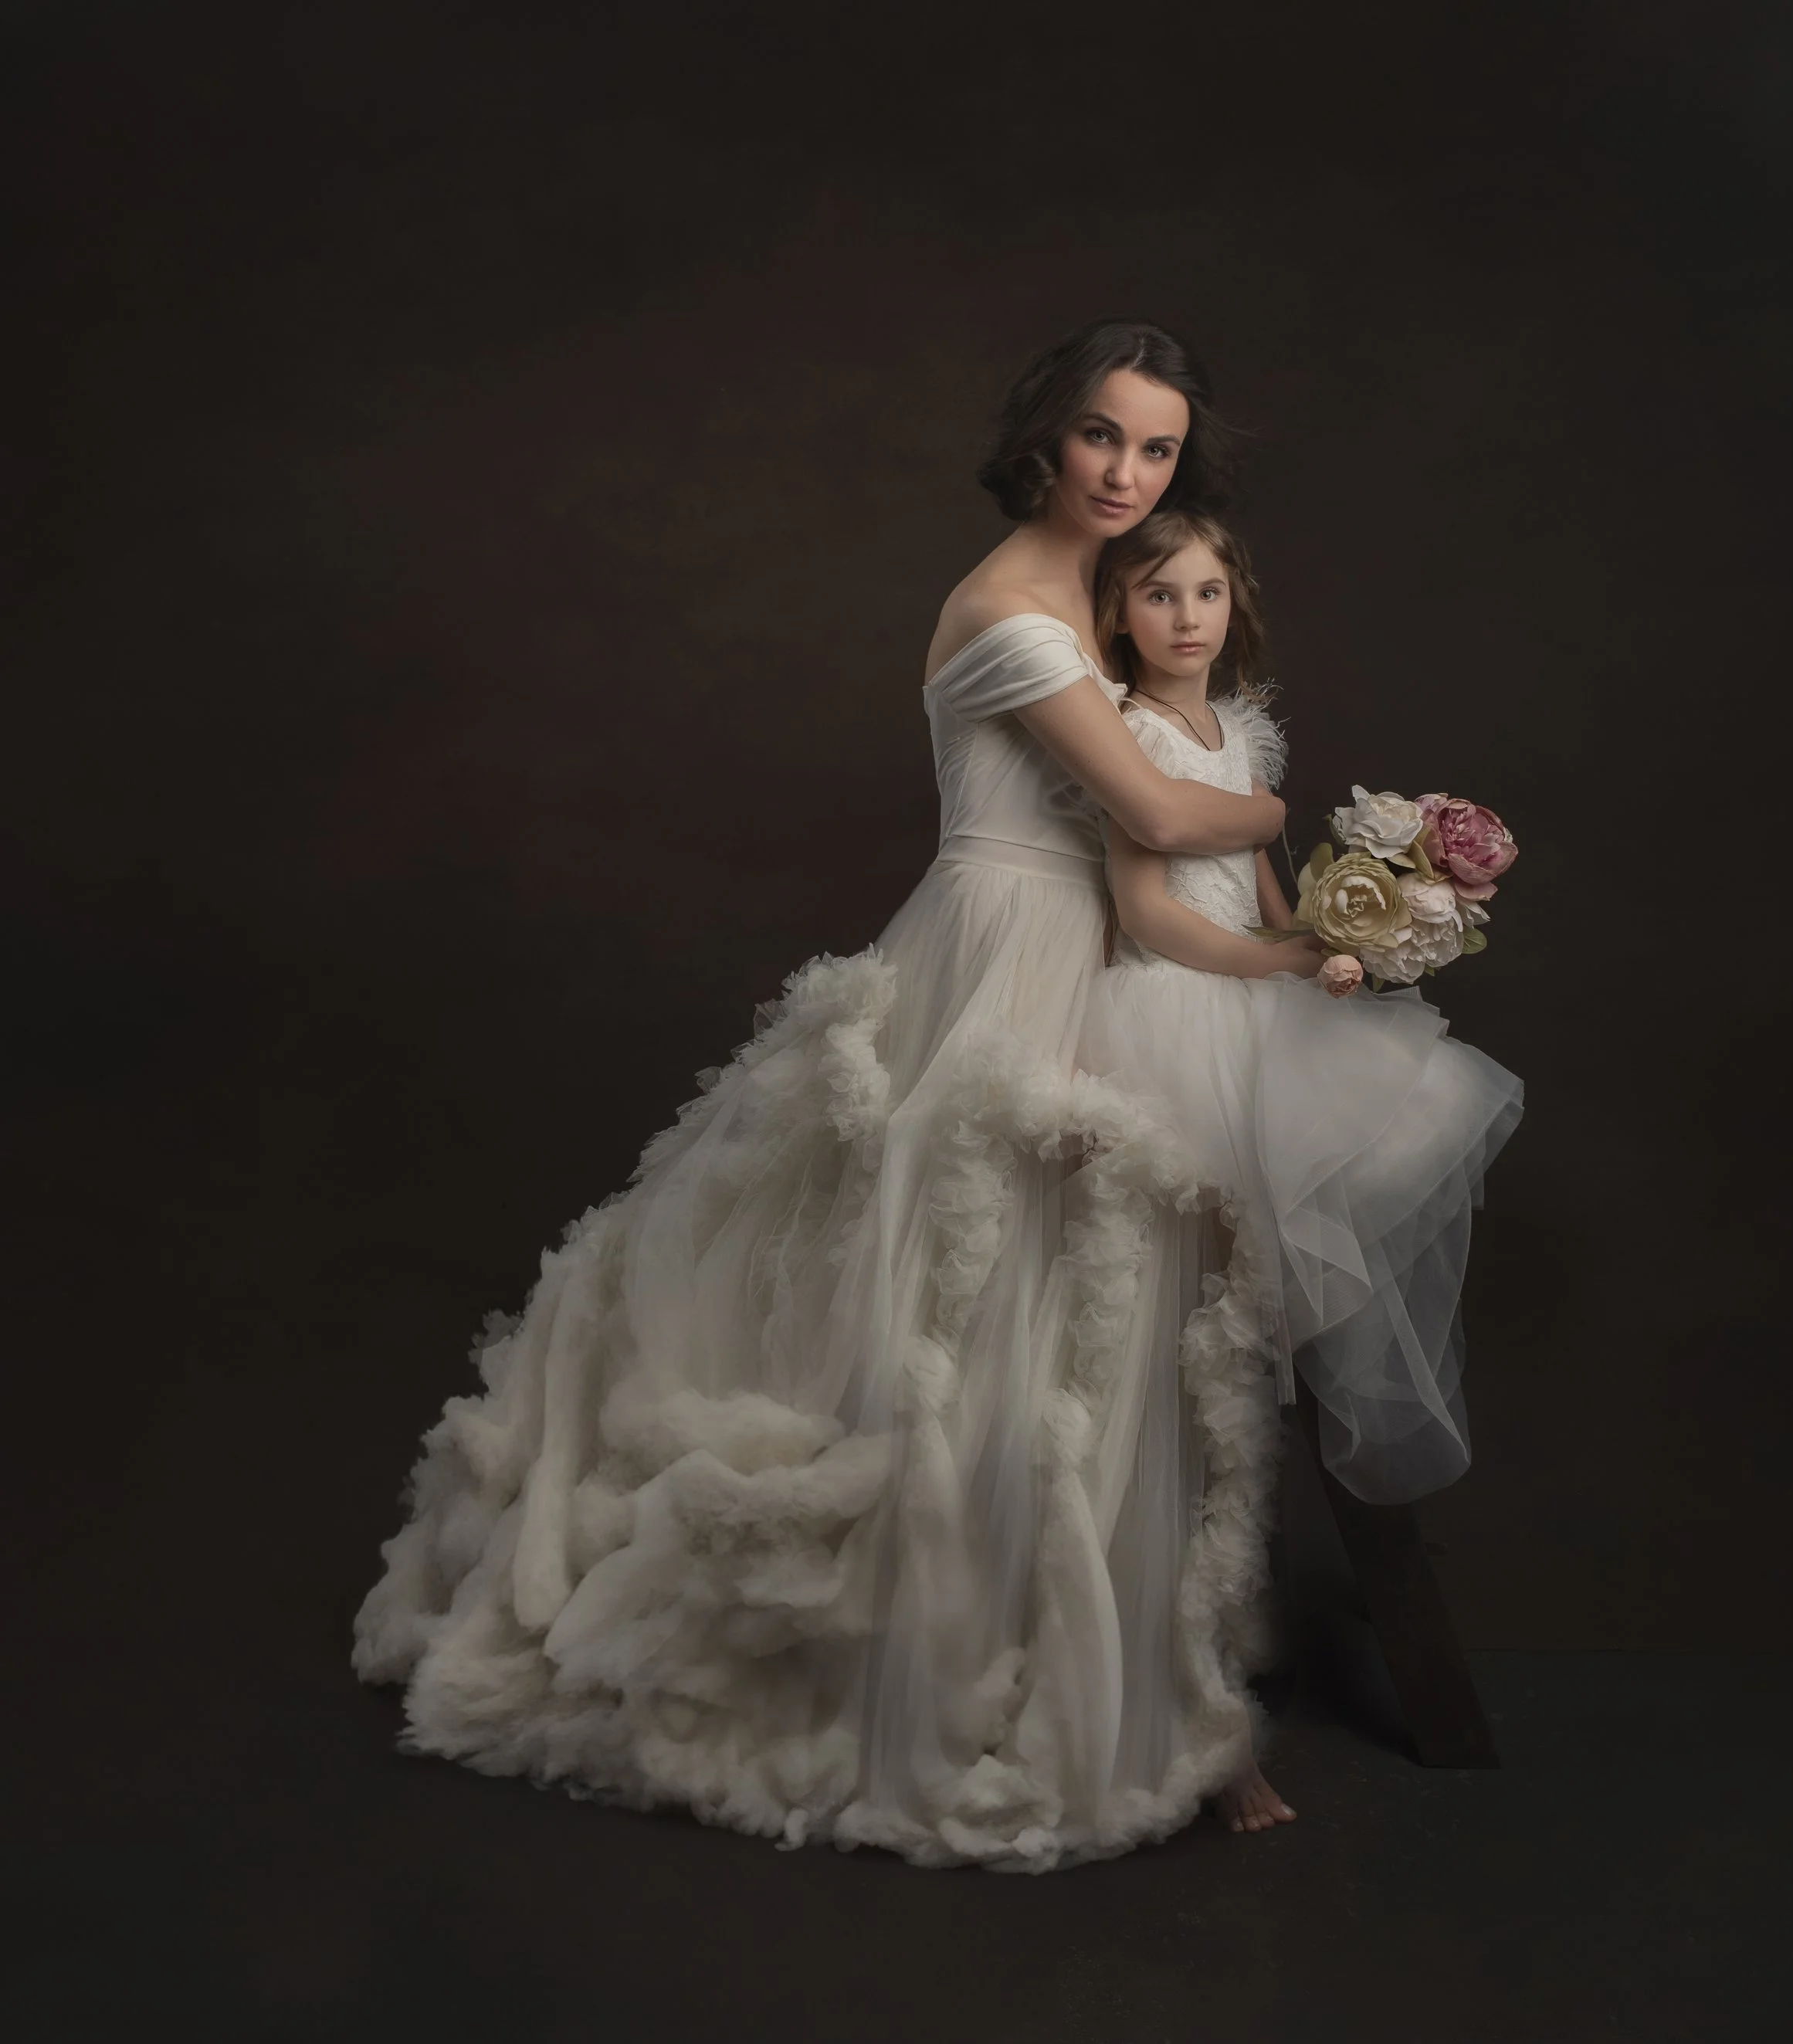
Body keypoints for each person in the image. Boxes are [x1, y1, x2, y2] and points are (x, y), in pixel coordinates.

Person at [353, 320, 1292, 1871]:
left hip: (1105, 952)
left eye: (1157, 449)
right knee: (964, 1308)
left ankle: (1141, 1680)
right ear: (1042, 437)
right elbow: (1148, 803)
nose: (1127, 473)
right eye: (1100, 436)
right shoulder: (1009, 605)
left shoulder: (1114, 591)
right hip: (1001, 949)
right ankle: (937, 1673)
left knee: (1102, 1311)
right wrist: (1277, 806)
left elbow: (1163, 783)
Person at [1079, 510, 1525, 1827]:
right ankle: (1184, 1712)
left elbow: (1266, 880)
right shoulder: (1126, 733)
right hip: (1171, 1017)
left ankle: (1230, 1668)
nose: (1187, 617)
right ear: (1117, 615)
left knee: (1273, 1314)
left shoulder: (1244, 730)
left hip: (1262, 1008)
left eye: (1208, 592)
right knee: (1177, 1357)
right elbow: (1148, 910)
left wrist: (1331, 947)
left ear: (1238, 604)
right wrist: (1275, 962)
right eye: (1159, 595)